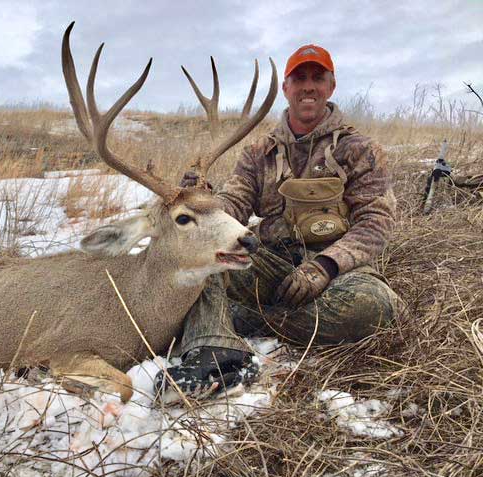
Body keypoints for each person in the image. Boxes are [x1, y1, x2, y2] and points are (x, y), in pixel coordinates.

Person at [155, 44, 401, 397]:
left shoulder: (359, 148)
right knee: (204, 261)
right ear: (286, 88)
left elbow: (376, 221)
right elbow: (235, 202)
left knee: (375, 308)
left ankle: (245, 320)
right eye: (299, 78)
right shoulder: (259, 152)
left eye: (318, 78)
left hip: (338, 271)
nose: (309, 86)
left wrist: (324, 267)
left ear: (331, 87)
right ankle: (217, 354)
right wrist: (203, 205)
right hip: (270, 261)